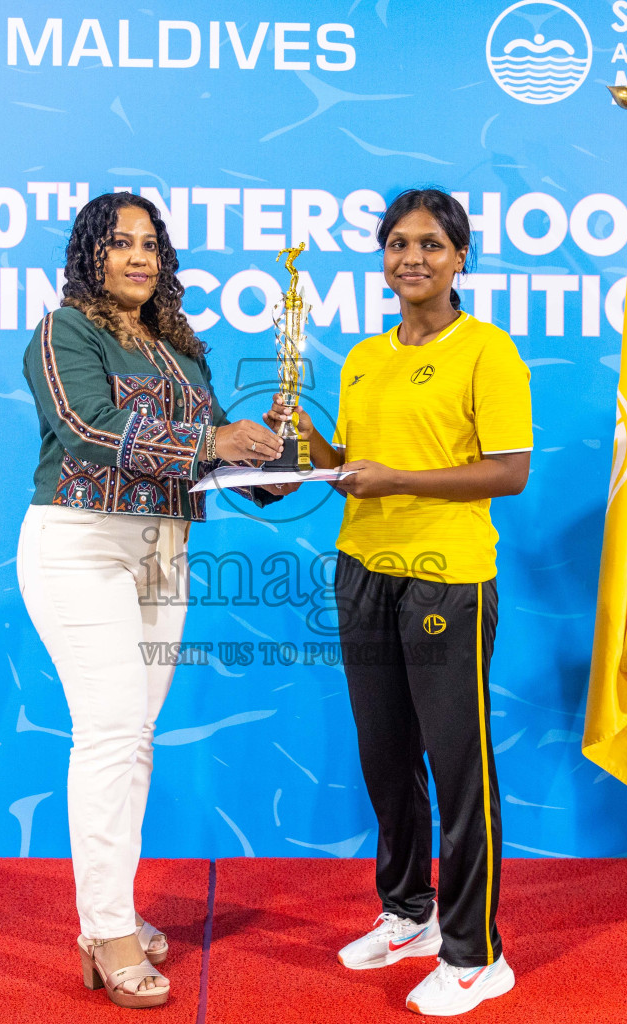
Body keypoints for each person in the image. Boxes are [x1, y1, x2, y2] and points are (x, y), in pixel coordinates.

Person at [18, 192, 288, 1009]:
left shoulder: (180, 349)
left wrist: (280, 459)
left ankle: (112, 912)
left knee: (133, 739)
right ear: (90, 254)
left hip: (162, 552)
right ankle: (106, 932)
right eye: (120, 242)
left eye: (150, 244)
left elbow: (204, 466)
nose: (139, 256)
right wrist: (213, 439)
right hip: (79, 543)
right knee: (106, 736)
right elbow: (88, 431)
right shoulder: (65, 332)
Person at [267, 188, 532, 1016]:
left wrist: (398, 480)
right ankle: (408, 913)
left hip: (446, 577)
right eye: (396, 243)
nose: (411, 257)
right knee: (385, 758)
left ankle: (475, 953)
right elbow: (354, 462)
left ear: (461, 258)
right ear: (381, 257)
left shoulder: (489, 353)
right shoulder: (362, 357)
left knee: (457, 767)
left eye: (431, 244)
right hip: (362, 570)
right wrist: (306, 439)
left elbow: (509, 470)